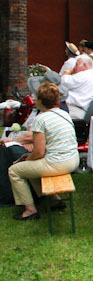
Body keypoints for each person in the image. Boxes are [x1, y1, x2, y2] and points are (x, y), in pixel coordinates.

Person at [8, 83, 79, 220]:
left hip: (59, 163)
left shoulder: (40, 119)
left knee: (15, 171)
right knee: (31, 167)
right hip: (73, 159)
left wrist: (27, 159)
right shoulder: (64, 114)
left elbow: (39, 152)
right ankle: (54, 200)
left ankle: (30, 211)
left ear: (40, 101)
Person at [60, 55, 93, 119]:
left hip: (74, 109)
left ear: (85, 65)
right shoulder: (91, 74)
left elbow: (63, 81)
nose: (74, 68)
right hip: (77, 108)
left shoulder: (84, 75)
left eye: (76, 64)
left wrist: (67, 71)